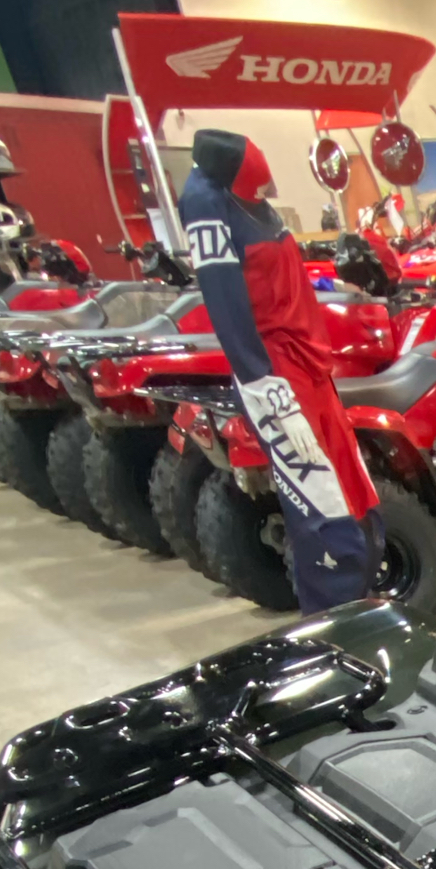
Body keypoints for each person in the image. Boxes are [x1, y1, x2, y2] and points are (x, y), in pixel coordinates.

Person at [178, 129, 383, 612]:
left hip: (311, 365)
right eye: (262, 183)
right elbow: (228, 304)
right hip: (278, 376)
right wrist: (261, 382)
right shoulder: (208, 205)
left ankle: (361, 611)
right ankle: (334, 629)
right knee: (324, 512)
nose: (268, 192)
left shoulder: (246, 204)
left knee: (358, 500)